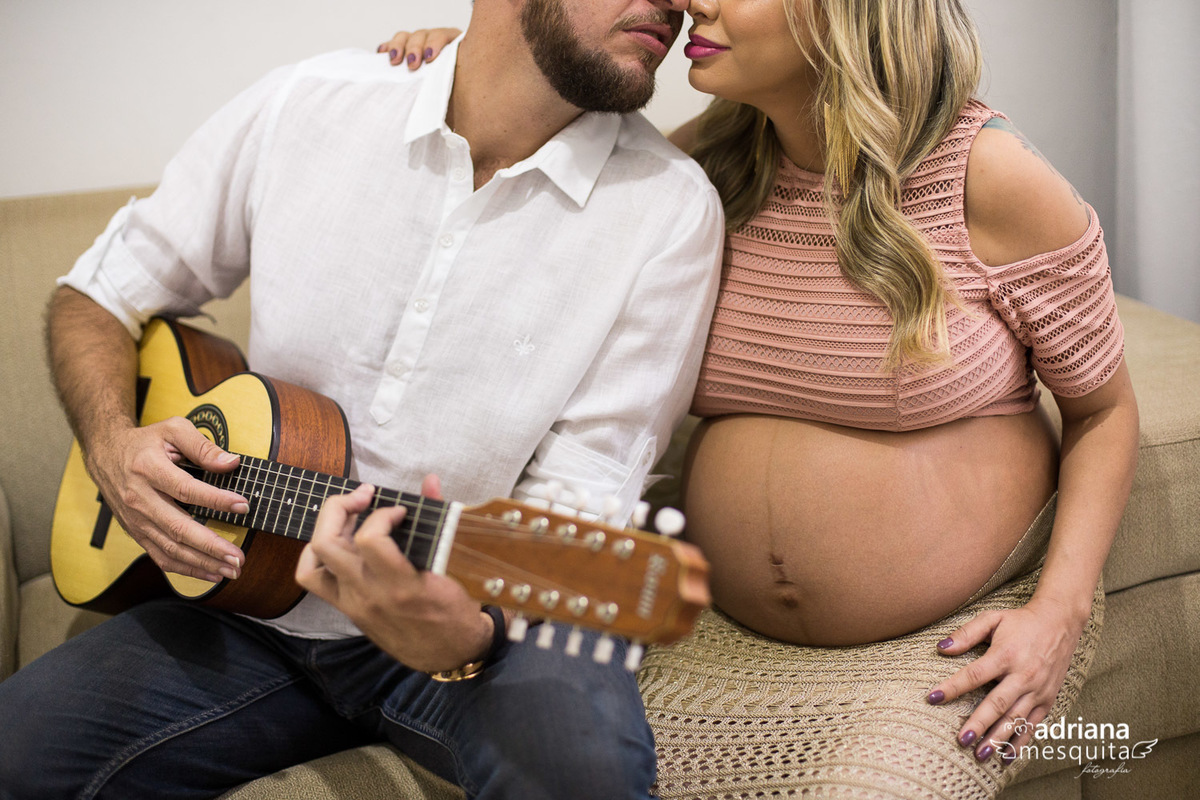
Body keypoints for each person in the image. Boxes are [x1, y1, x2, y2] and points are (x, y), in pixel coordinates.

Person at [387, 0, 1138, 796]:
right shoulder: (700, 170)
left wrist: (1059, 612)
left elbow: (1104, 411)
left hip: (939, 648)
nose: (691, 3)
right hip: (706, 633)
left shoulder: (986, 175)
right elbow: (526, 198)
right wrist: (469, 77)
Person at [0, 1, 726, 798]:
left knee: (582, 776)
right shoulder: (307, 104)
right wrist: (112, 445)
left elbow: (585, 497)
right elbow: (97, 295)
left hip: (484, 609)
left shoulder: (668, 209)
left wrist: (470, 633)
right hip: (246, 598)